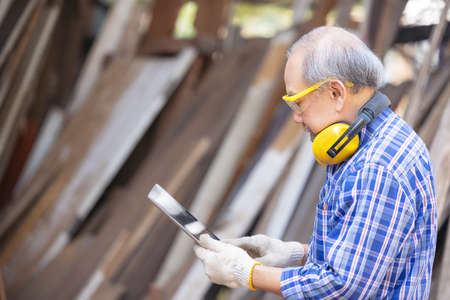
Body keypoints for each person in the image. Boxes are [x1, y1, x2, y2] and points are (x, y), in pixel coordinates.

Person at [194, 26, 437, 299]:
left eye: (298, 103)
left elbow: (343, 285)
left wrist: (247, 273)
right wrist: (295, 254)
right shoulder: (371, 142)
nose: (296, 118)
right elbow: (368, 256)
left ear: (336, 93)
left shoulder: (377, 167)